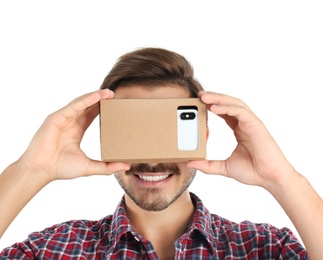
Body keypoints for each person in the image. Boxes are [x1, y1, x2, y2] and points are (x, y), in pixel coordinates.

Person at [0, 47, 322, 260]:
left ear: (203, 137)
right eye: (134, 129)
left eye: (167, 131)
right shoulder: (57, 250)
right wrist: (32, 169)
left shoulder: (263, 247)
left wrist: (281, 177)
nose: (151, 159)